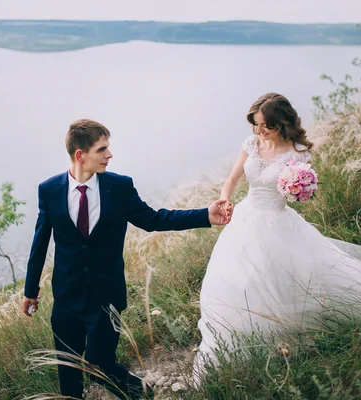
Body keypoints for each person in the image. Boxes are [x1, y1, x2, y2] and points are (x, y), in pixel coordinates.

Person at [22, 119, 231, 399]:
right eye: (102, 149)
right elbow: (40, 242)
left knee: (100, 363)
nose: (110, 155)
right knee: (67, 368)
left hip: (105, 295)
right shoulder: (48, 190)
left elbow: (154, 219)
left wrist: (205, 214)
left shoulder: (118, 187)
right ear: (80, 155)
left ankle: (140, 392)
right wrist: (30, 291)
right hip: (66, 296)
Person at [193, 93, 361, 382]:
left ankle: (288, 330)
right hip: (246, 218)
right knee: (240, 278)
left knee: (285, 275)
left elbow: (302, 191)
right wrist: (224, 199)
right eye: (255, 125)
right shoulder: (251, 143)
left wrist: (297, 189)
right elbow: (233, 178)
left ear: (281, 124)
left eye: (265, 126)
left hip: (277, 221)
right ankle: (246, 331)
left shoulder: (297, 152)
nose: (259, 131)